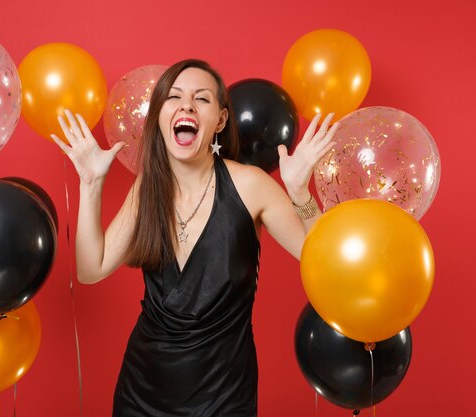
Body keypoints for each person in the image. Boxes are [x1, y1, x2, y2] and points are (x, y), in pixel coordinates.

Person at [52, 59, 337, 417]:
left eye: (201, 99)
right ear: (159, 114)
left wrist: (301, 196)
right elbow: (90, 269)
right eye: (174, 97)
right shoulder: (148, 189)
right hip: (142, 390)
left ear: (219, 120)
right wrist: (91, 185)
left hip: (223, 395)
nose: (186, 105)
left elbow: (325, 264)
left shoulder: (250, 185)